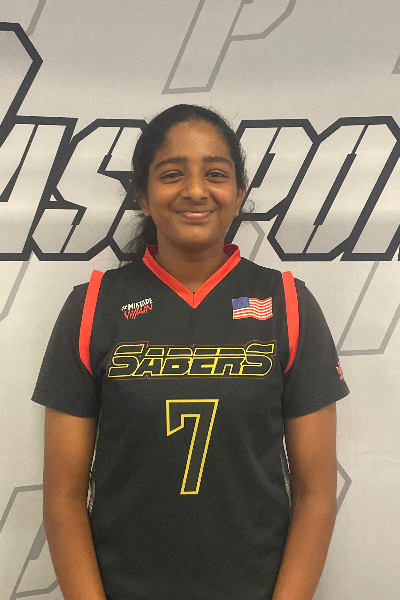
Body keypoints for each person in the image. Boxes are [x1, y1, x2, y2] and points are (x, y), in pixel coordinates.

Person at [32, 104, 349, 600]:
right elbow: (64, 498)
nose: (196, 190)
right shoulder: (93, 306)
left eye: (216, 174)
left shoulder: (288, 303)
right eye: (172, 174)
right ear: (142, 195)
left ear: (239, 194)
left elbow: (315, 493)